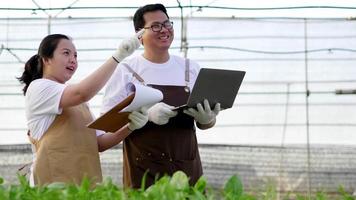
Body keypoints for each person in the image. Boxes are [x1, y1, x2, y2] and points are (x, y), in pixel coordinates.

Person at [101, 3, 221, 188]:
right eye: (156, 26)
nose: (164, 30)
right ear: (139, 35)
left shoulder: (190, 68)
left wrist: (208, 119)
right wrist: (145, 116)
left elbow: (206, 124)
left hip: (186, 167)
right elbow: (107, 124)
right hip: (143, 169)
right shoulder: (127, 70)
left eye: (167, 24)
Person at [17, 32, 148, 187]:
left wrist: (130, 126)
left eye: (76, 55)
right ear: (46, 59)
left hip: (85, 186)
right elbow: (82, 93)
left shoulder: (79, 103)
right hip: (52, 186)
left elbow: (99, 143)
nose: (73, 60)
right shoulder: (39, 87)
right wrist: (118, 57)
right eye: (66, 53)